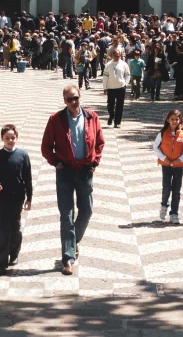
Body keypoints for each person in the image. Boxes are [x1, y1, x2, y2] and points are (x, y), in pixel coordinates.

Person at [41, 85, 105, 275]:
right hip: (65, 172)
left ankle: (73, 240)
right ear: (64, 101)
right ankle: (68, 259)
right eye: (69, 99)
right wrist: (55, 162)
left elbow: (100, 142)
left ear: (80, 97)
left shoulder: (91, 117)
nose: (74, 102)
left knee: (87, 210)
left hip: (85, 170)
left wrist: (95, 162)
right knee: (66, 214)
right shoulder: (56, 119)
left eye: (75, 98)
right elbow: (46, 146)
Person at [0, 124, 33, 275]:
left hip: (17, 197)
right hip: (1, 197)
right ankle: (2, 261)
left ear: (17, 137)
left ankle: (14, 252)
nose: (10, 140)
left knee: (15, 227)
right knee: (2, 228)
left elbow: (28, 178)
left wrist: (29, 198)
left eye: (12, 138)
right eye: (7, 138)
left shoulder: (23, 155)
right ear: (2, 138)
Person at [153, 109, 183, 225]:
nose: (174, 121)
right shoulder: (162, 133)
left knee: (176, 190)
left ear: (180, 120)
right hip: (166, 165)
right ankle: (164, 205)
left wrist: (180, 160)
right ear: (168, 120)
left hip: (178, 166)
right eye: (172, 119)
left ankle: (174, 213)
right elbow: (155, 147)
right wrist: (164, 158)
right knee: (167, 188)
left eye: (176, 119)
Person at [102, 48, 130, 128]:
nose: (117, 57)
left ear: (120, 55)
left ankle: (117, 122)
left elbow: (127, 75)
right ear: (112, 56)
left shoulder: (124, 64)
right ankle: (111, 115)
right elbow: (105, 77)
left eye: (118, 56)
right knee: (110, 104)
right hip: (111, 88)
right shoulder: (108, 65)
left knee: (119, 105)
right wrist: (105, 87)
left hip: (121, 87)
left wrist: (125, 84)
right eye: (115, 56)